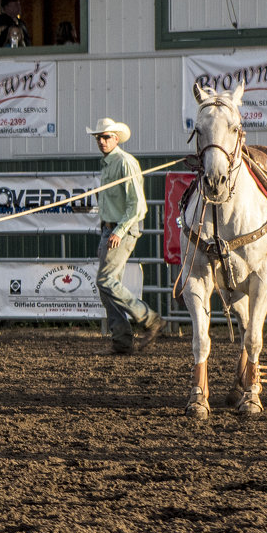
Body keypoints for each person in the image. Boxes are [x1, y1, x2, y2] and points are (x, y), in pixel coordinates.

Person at [86, 118, 165, 355]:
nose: (101, 141)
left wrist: (118, 231)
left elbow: (137, 205)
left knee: (106, 281)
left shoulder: (124, 162)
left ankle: (149, 318)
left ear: (116, 138)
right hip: (110, 229)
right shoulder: (110, 163)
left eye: (106, 136)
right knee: (106, 285)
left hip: (121, 230)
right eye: (98, 137)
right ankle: (122, 341)